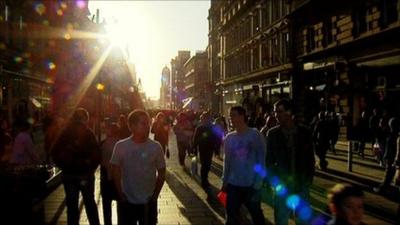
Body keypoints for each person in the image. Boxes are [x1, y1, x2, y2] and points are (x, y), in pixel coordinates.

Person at [111, 110, 166, 225]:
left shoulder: (156, 147)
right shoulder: (121, 146)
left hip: (148, 201)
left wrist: (155, 196)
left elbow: (161, 172)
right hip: (127, 201)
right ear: (132, 126)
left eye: (148, 123)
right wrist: (120, 195)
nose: (147, 127)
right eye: (143, 123)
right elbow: (115, 171)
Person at [266, 99, 315, 225]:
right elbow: (269, 161)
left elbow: (310, 158)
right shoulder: (273, 134)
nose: (276, 115)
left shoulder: (304, 132)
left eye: (280, 111)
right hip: (282, 186)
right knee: (281, 220)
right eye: (275, 112)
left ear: (289, 112)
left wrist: (308, 179)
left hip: (301, 184)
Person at [51, 108, 101, 225]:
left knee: (72, 205)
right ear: (85, 119)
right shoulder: (88, 133)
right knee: (90, 203)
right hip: (85, 174)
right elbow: (96, 154)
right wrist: (90, 167)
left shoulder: (64, 133)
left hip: (69, 174)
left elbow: (54, 151)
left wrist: (63, 166)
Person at [221, 106, 266, 225]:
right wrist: (224, 181)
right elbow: (227, 161)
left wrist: (258, 182)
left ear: (242, 116)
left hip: (251, 184)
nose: (231, 118)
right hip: (233, 185)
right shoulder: (229, 138)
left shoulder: (255, 135)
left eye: (234, 115)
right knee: (231, 216)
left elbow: (261, 159)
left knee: (257, 215)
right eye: (230, 116)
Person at [192, 111, 220, 190]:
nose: (204, 120)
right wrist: (194, 148)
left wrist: (216, 148)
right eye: (203, 118)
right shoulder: (199, 128)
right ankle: (204, 180)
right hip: (202, 148)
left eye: (206, 118)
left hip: (210, 148)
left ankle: (205, 178)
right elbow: (195, 139)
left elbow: (217, 138)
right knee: (204, 164)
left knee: (208, 164)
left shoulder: (212, 127)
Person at [100, 122, 120, 225]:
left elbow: (100, 160)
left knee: (106, 203)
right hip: (118, 177)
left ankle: (108, 222)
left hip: (106, 177)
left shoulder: (103, 144)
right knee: (120, 202)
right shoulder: (121, 144)